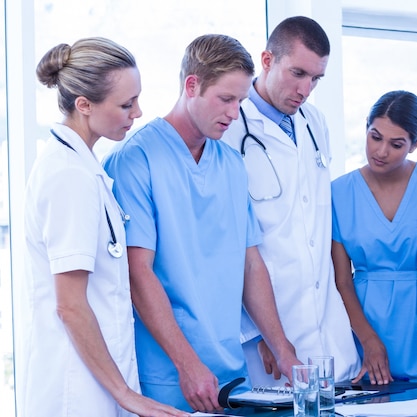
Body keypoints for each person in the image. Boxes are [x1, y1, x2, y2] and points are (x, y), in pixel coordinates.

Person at [103, 34, 299, 412]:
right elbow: (136, 272)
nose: (233, 113)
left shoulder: (230, 164)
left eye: (240, 101)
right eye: (225, 99)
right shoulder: (134, 160)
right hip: (166, 374)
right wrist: (187, 364)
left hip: (230, 374)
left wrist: (283, 347)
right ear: (191, 85)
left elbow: (250, 263)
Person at [21, 38, 188, 417]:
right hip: (75, 393)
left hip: (94, 385)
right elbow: (71, 306)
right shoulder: (69, 177)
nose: (138, 112)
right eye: (126, 104)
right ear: (84, 105)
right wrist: (128, 396)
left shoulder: (82, 169)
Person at [221, 16, 361, 385]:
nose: (306, 89)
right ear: (267, 61)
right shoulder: (229, 128)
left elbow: (315, 225)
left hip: (326, 328)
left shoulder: (315, 123)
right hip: (267, 335)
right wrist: (261, 333)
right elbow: (227, 244)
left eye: (316, 78)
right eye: (297, 73)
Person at [331, 91, 417, 384]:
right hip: (366, 327)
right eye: (375, 137)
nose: (381, 152)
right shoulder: (338, 193)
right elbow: (342, 280)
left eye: (396, 144)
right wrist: (368, 339)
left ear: (416, 144)